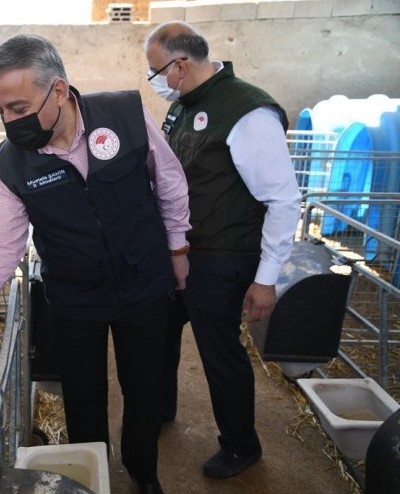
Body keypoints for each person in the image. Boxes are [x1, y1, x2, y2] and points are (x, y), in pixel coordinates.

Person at [0, 34, 190, 493]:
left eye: (17, 108)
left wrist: (177, 250)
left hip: (144, 282)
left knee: (145, 389)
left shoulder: (124, 115)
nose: (7, 121)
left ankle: (143, 470)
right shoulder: (8, 165)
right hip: (75, 298)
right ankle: (90, 480)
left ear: (58, 91)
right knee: (83, 400)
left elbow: (170, 182)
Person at [143, 21, 302, 479]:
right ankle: (159, 408)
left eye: (155, 72)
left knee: (219, 353)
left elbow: (283, 199)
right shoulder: (181, 108)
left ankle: (240, 445)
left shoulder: (248, 112)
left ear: (179, 66)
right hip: (179, 248)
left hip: (223, 256)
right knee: (158, 334)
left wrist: (266, 278)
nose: (154, 82)